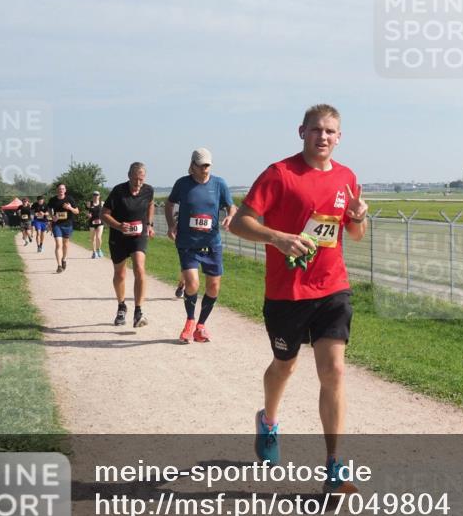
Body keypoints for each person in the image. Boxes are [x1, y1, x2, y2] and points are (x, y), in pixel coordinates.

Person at [229, 104, 368, 495]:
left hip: (332, 288)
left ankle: (335, 466)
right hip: (286, 293)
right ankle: (269, 421)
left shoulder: (347, 178)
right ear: (301, 132)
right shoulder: (280, 174)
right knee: (284, 367)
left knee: (334, 370)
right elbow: (240, 222)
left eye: (330, 132)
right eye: (316, 130)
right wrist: (277, 237)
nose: (322, 137)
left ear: (339, 137)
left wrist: (358, 216)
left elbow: (354, 235)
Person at [166, 149, 234, 343]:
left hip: (212, 243)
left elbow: (231, 206)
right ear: (193, 166)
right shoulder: (182, 184)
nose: (205, 169)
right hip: (188, 243)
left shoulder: (219, 183)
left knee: (213, 286)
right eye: (202, 165)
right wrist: (171, 225)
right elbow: (170, 204)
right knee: (193, 283)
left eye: (208, 165)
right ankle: (189, 321)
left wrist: (230, 215)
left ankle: (201, 326)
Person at [101, 162, 155, 328]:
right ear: (129, 176)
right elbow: (103, 214)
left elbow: (151, 204)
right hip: (119, 237)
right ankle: (121, 306)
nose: (138, 183)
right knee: (120, 274)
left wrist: (150, 224)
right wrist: (118, 226)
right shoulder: (118, 191)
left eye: (141, 179)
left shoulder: (148, 190)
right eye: (135, 179)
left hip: (138, 235)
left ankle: (138, 311)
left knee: (139, 268)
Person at [49, 184, 80, 273]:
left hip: (67, 224)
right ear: (57, 190)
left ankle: (64, 259)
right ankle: (59, 266)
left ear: (65, 190)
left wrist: (70, 208)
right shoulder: (53, 200)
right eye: (59, 189)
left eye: (62, 189)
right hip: (57, 225)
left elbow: (77, 211)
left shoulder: (69, 199)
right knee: (58, 244)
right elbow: (48, 209)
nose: (61, 190)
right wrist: (52, 217)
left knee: (65, 244)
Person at [88, 191, 105, 258]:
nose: (95, 196)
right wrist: (88, 215)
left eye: (97, 195)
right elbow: (87, 212)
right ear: (93, 196)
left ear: (99, 196)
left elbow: (105, 211)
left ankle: (99, 249)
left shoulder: (102, 203)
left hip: (100, 222)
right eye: (94, 195)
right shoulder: (89, 203)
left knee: (98, 237)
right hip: (92, 222)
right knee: (93, 238)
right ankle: (94, 252)